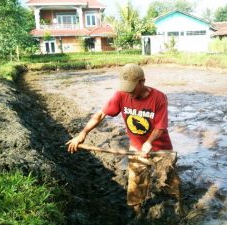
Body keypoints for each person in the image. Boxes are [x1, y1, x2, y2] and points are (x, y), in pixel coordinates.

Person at [67, 63, 184, 218]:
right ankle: (138, 212)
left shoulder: (159, 97)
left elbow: (160, 127)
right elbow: (101, 114)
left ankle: (177, 205)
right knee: (136, 182)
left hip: (161, 147)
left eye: (132, 88)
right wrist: (83, 133)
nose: (128, 92)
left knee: (170, 179)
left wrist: (148, 143)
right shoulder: (121, 94)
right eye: (125, 88)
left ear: (142, 81)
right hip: (136, 147)